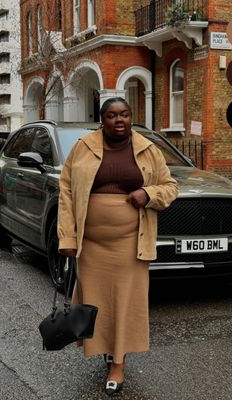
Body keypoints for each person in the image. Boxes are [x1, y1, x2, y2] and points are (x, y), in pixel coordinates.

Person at [58, 97, 179, 395]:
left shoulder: (148, 150)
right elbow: (67, 192)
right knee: (96, 302)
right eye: (112, 115)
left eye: (124, 114)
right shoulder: (83, 147)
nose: (119, 120)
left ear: (131, 117)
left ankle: (118, 363)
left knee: (125, 303)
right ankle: (105, 348)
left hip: (130, 243)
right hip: (91, 243)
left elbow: (170, 187)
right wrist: (68, 237)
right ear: (103, 119)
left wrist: (147, 193)